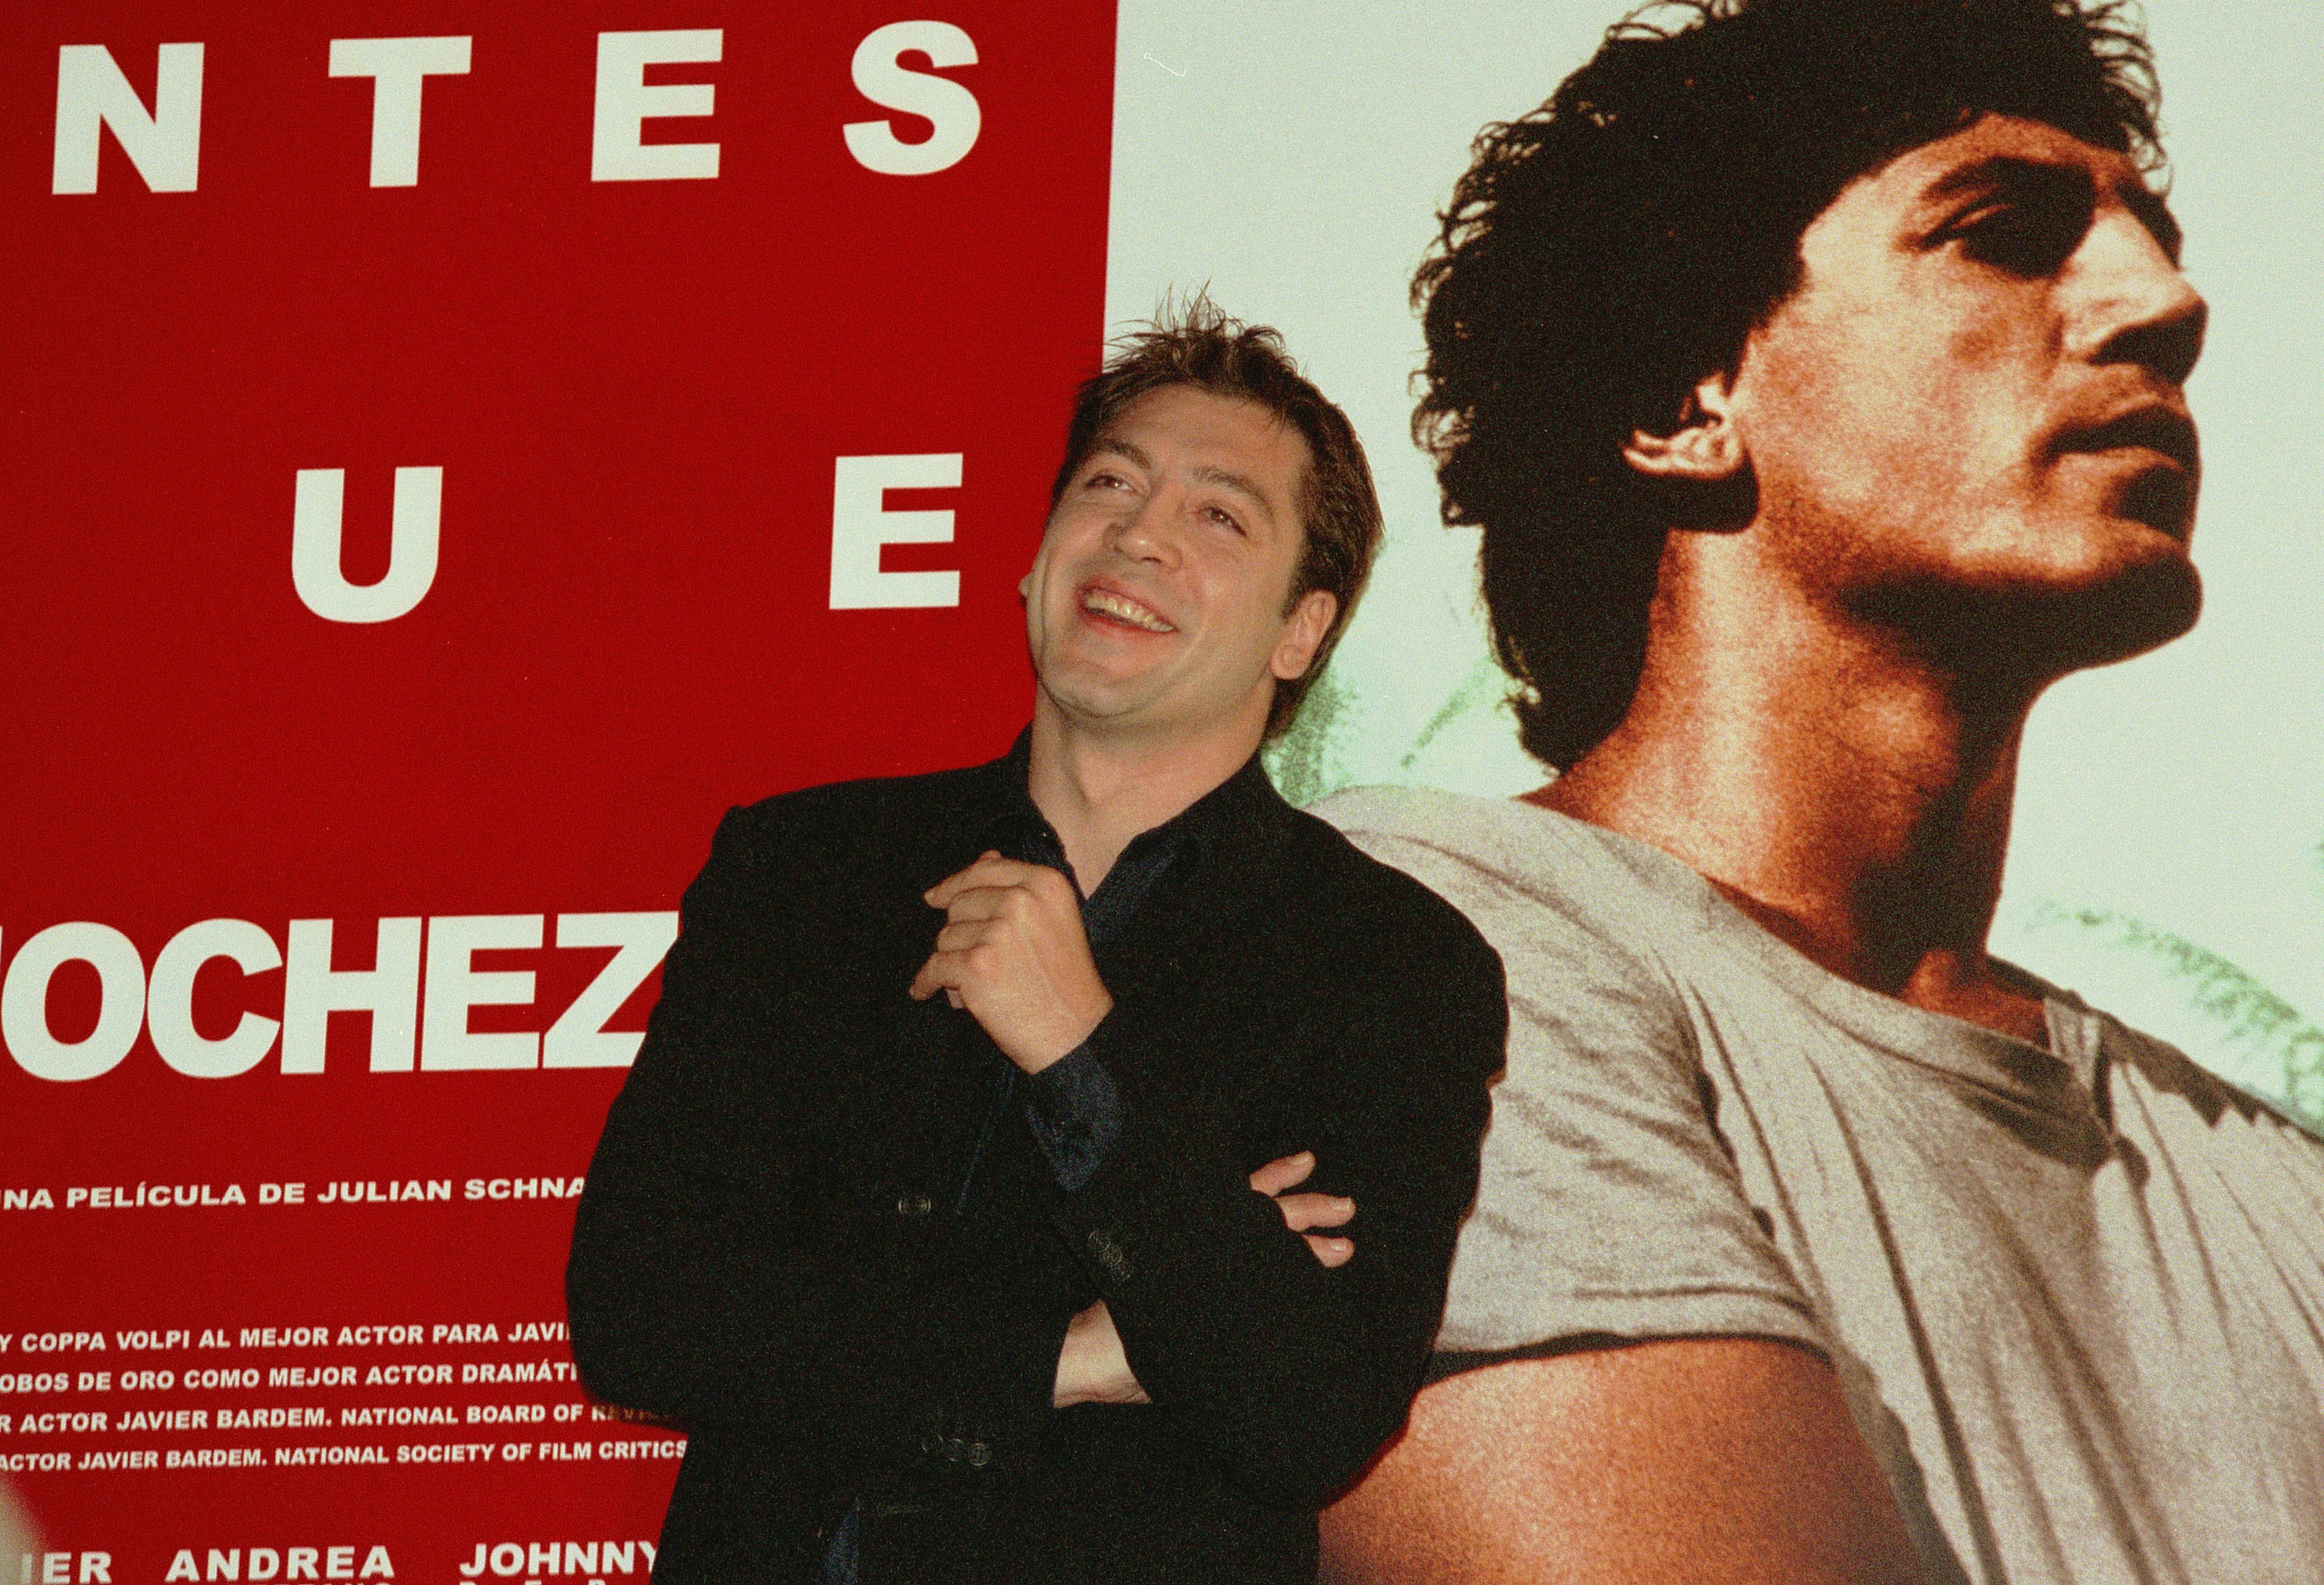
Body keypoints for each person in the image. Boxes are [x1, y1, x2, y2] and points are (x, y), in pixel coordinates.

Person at [1316, 3, 2324, 1582]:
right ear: (1681, 404)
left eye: (2152, 236)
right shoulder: (1406, 956)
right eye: (2003, 235)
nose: (2168, 304)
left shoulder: (2272, 1177)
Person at [565, 304, 1505, 1584]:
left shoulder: (1391, 961)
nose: (1139, 531)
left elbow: (1304, 1408)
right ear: (1036, 558)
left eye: (1219, 514)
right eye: (1110, 483)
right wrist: (1068, 1352)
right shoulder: (805, 870)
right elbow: (645, 1305)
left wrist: (1080, 1047)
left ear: (1302, 631)